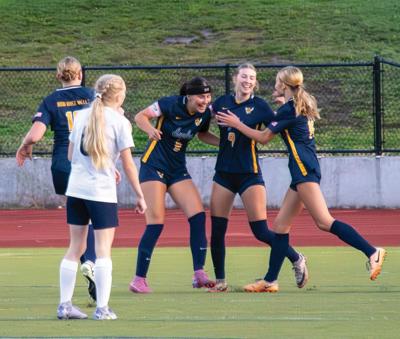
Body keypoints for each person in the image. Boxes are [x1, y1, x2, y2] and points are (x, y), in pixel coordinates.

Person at [216, 66, 386, 293]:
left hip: (304, 170)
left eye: (277, 82)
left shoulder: (289, 109)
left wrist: (237, 124)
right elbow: (285, 122)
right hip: (303, 171)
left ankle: (372, 252)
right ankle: (270, 280)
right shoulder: (295, 105)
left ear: (284, 85)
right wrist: (280, 107)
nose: (274, 84)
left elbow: (264, 138)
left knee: (324, 221)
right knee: (280, 227)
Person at [208, 63, 308, 293]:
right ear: (235, 78)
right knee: (217, 230)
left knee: (260, 231)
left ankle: (296, 257)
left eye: (252, 78)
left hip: (249, 174)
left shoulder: (260, 106)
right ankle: (221, 281)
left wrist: (284, 110)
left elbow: (275, 131)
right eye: (244, 76)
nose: (248, 81)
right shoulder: (221, 103)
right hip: (223, 174)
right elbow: (202, 122)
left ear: (255, 82)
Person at [57, 74, 146, 320]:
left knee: (75, 248)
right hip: (100, 193)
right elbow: (129, 165)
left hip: (76, 190)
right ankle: (102, 309)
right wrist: (140, 195)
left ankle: (64, 306)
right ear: (119, 96)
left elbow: (71, 155)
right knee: (103, 250)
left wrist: (106, 165)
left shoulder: (82, 116)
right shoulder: (119, 122)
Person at [16, 56, 98, 304]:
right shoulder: (93, 95)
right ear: (80, 74)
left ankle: (86, 264)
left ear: (57, 75)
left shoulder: (51, 100)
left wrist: (24, 145)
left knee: (78, 217)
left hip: (63, 165)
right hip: (89, 161)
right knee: (93, 216)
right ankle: (91, 261)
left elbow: (35, 135)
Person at [128, 77, 219, 293]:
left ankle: (199, 274)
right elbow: (140, 116)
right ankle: (139, 279)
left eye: (207, 96)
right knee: (156, 222)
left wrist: (223, 143)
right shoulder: (169, 104)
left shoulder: (204, 113)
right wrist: (149, 129)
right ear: (189, 96)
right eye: (200, 97)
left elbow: (203, 134)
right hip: (154, 166)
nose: (205, 101)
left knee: (198, 216)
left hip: (177, 170)